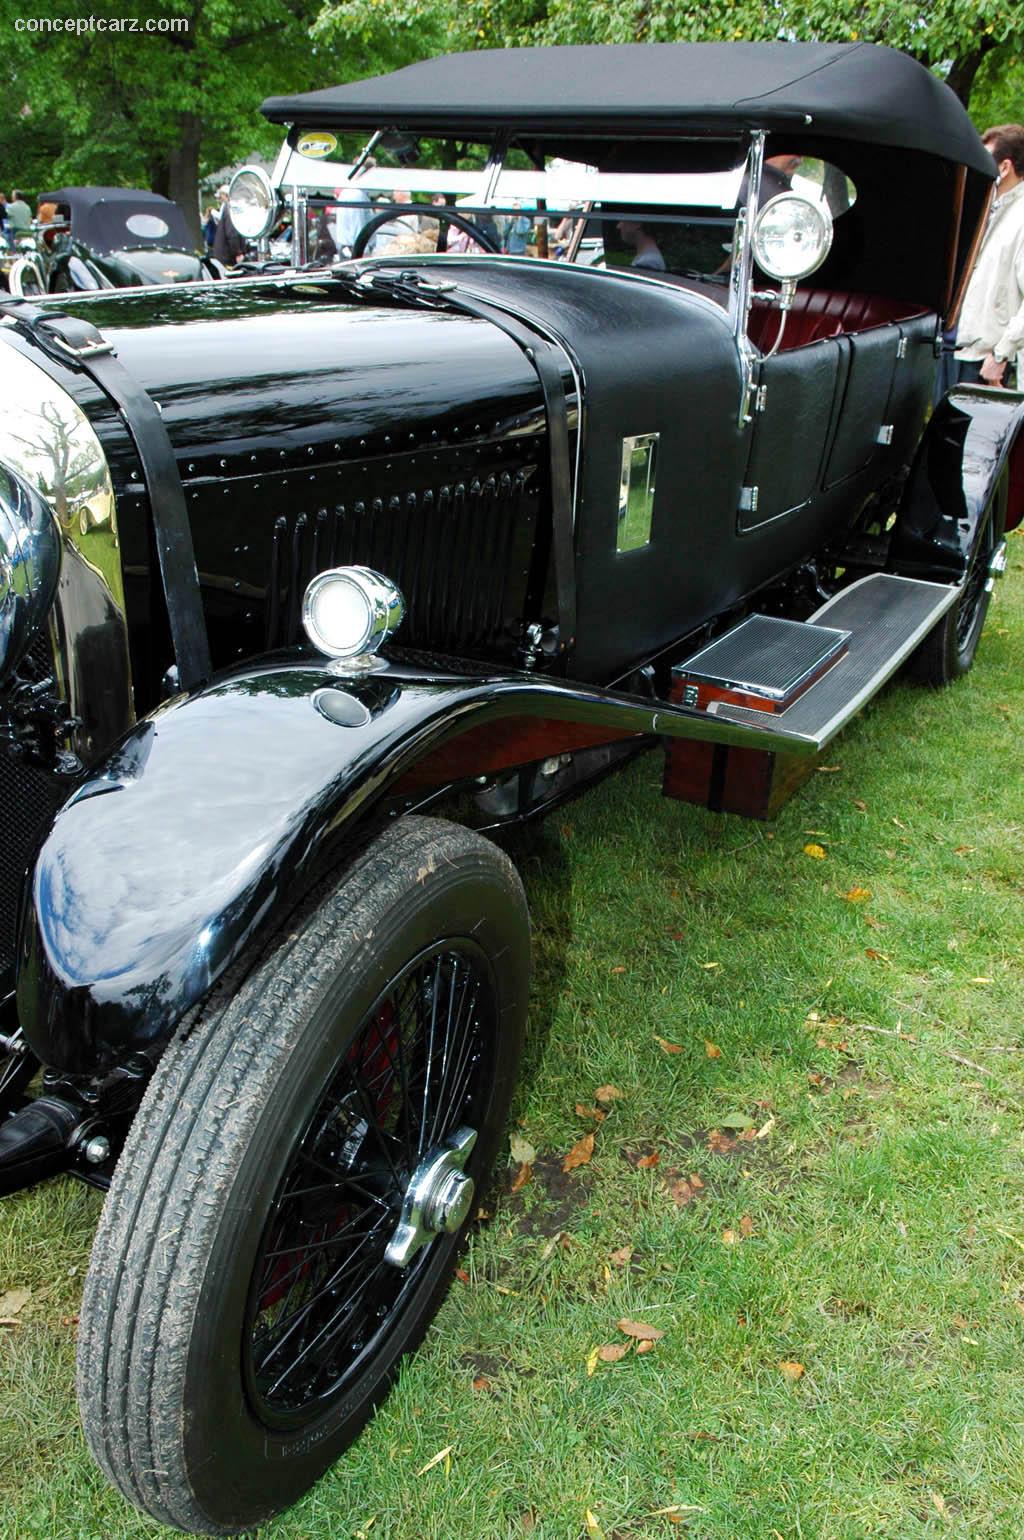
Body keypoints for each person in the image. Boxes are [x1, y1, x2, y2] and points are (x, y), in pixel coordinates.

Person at [953, 123, 1024, 388]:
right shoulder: (991, 209)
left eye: (983, 160)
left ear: (1004, 167)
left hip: (988, 362)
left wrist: (1000, 353)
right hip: (961, 350)